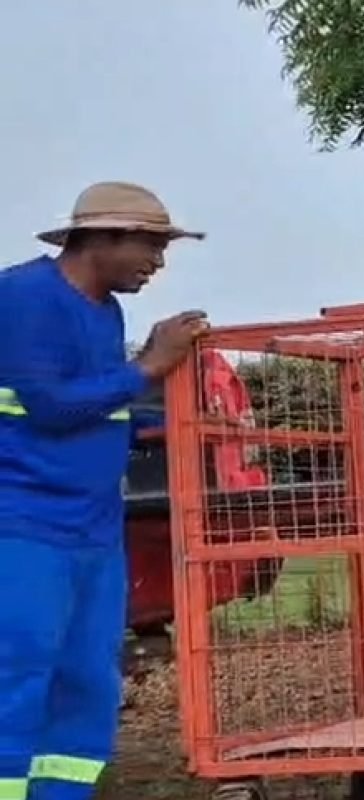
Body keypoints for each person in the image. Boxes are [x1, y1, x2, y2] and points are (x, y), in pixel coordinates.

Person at [0, 181, 209, 800]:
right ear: (102, 238)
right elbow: (51, 407)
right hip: (23, 523)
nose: (158, 263)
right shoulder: (24, 296)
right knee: (18, 671)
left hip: (93, 528)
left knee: (88, 679)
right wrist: (150, 366)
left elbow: (100, 409)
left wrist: (166, 411)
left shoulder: (105, 310)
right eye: (151, 246)